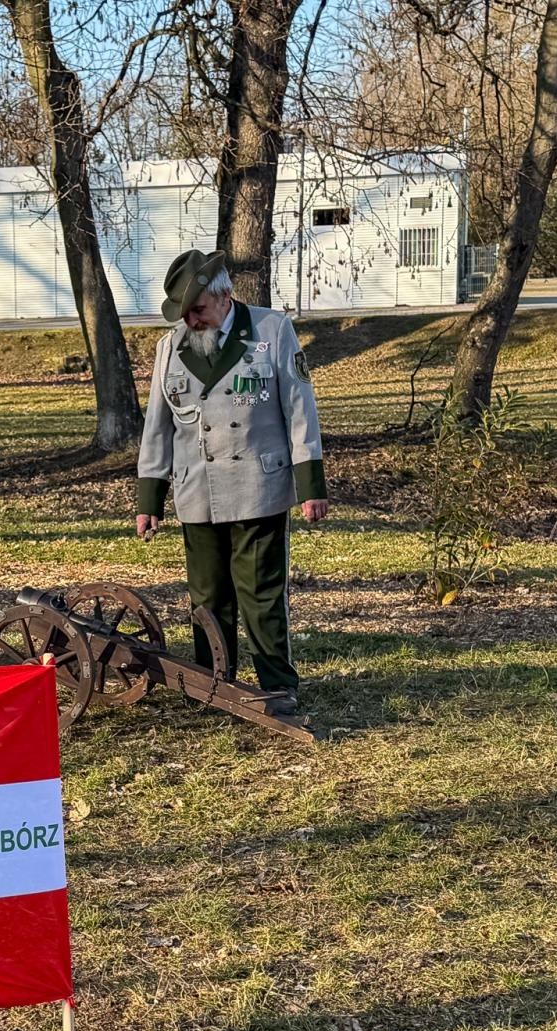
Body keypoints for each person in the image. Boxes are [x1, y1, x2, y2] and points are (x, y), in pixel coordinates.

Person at [135, 249, 327, 716]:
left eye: (197, 310)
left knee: (261, 594)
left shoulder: (271, 330)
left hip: (258, 487)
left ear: (223, 297)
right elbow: (158, 425)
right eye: (184, 313)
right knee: (207, 596)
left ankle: (278, 686)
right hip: (197, 490)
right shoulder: (171, 347)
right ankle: (213, 683)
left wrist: (311, 484)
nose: (192, 321)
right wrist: (150, 497)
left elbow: (299, 409)